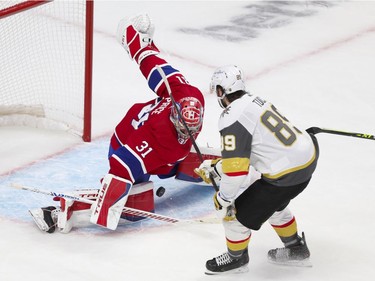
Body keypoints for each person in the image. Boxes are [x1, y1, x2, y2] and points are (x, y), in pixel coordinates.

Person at [29, 13, 206, 233]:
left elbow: (153, 64)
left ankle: (177, 164)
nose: (186, 133)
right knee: (136, 207)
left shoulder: (187, 94)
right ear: (173, 116)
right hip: (126, 141)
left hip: (155, 139)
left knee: (171, 161)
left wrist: (137, 41)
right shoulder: (156, 139)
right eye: (182, 128)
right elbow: (121, 165)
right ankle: (65, 210)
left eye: (191, 129)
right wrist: (107, 208)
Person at [194, 65, 319, 274]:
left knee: (233, 216)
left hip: (286, 175)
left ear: (220, 91)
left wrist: (223, 199)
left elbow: (237, 172)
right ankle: (296, 249)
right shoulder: (256, 101)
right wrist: (218, 167)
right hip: (307, 159)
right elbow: (257, 151)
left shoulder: (231, 116)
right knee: (273, 204)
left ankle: (237, 259)